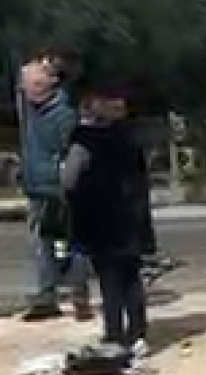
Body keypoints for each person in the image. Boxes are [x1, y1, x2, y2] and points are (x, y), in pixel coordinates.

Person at [62, 87, 153, 357]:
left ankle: (114, 333)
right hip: (132, 217)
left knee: (109, 279)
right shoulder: (131, 140)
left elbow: (69, 180)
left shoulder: (85, 141)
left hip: (99, 219)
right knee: (132, 277)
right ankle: (137, 333)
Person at [19, 55, 92, 322]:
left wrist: (62, 180)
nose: (27, 89)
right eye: (25, 84)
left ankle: (79, 297)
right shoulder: (33, 112)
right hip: (37, 188)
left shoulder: (62, 114)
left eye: (33, 83)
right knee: (43, 244)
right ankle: (46, 297)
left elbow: (70, 152)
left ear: (51, 83)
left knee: (71, 244)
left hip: (58, 188)